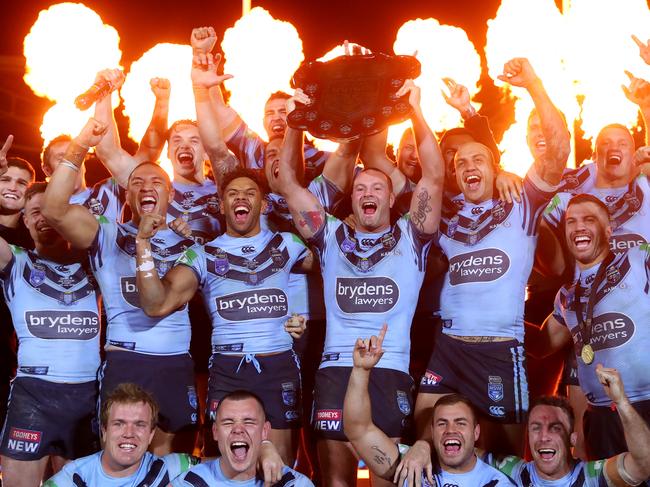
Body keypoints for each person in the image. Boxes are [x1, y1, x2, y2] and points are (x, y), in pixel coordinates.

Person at [279, 77, 444, 486]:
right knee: (336, 481)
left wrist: (416, 110)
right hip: (335, 368)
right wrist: (295, 121)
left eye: (377, 187)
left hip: (390, 369)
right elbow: (287, 182)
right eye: (360, 188)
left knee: (388, 480)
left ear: (390, 199)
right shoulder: (331, 235)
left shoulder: (413, 235)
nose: (367, 192)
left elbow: (435, 176)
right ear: (350, 200)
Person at [413, 57, 570, 456]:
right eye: (460, 162)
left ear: (495, 166)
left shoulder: (521, 202)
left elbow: (557, 149)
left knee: (510, 460)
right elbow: (426, 170)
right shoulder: (448, 217)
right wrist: (413, 108)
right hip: (447, 347)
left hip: (499, 350)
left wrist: (533, 83)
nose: (467, 165)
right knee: (423, 437)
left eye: (477, 159)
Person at [134, 166, 314, 465]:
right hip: (229, 369)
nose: (240, 198)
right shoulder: (203, 254)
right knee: (223, 469)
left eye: (249, 193)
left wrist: (300, 315)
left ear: (264, 204)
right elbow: (156, 304)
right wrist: (142, 246)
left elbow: (337, 270)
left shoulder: (289, 244)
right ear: (221, 205)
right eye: (232, 194)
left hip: (278, 365)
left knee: (279, 469)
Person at [42, 119, 198, 455]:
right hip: (126, 363)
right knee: (121, 460)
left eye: (156, 182)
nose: (146, 188)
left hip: (175, 364)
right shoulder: (106, 232)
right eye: (137, 182)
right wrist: (80, 145)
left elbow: (161, 302)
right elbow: (53, 209)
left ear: (169, 193)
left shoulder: (189, 243)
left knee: (173, 465)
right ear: (127, 193)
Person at [531, 194, 650, 461]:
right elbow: (540, 345)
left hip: (645, 403)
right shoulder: (567, 297)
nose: (579, 227)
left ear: (608, 231)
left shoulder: (638, 260)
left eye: (589, 219)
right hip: (601, 417)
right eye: (571, 221)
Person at [0, 182, 100, 487]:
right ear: (25, 220)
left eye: (50, 210)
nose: (43, 217)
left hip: (87, 397)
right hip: (33, 396)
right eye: (34, 212)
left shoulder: (95, 262)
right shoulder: (15, 260)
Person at [343, 325, 515, 487]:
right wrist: (361, 371)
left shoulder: (497, 482)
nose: (450, 429)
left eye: (460, 423)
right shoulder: (411, 467)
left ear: (476, 432)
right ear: (432, 432)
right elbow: (358, 429)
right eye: (442, 423)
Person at [190, 26, 330, 181]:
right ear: (263, 122)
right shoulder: (253, 148)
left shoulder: (317, 157)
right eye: (270, 113)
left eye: (283, 111)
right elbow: (220, 110)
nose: (276, 117)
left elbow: (347, 159)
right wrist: (201, 55)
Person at [484, 366, 650, 486]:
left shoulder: (592, 477)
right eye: (536, 428)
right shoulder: (513, 472)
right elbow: (462, 454)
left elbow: (644, 464)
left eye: (555, 428)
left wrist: (621, 402)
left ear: (573, 439)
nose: (544, 436)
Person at [43, 383, 199, 487]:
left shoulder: (173, 468)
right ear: (104, 430)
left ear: (151, 434)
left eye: (139, 425)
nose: (129, 433)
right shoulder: (72, 478)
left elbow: (220, 467)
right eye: (119, 424)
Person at [172, 390, 313, 486]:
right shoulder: (190, 482)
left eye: (249, 422)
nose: (238, 429)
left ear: (265, 431)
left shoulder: (294, 483)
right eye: (228, 422)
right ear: (215, 431)